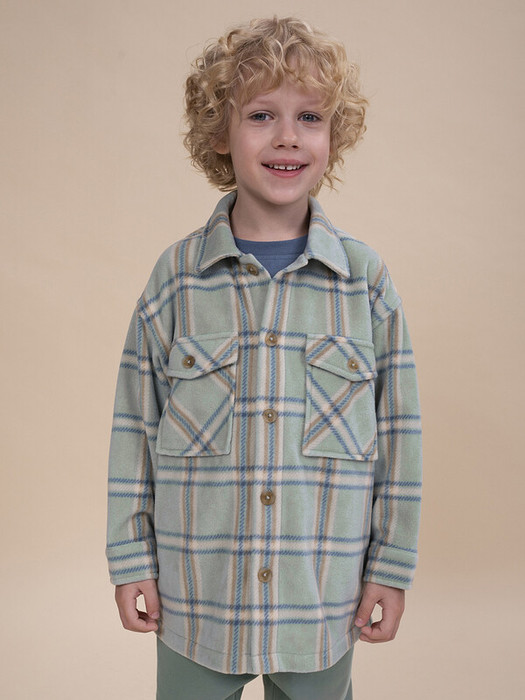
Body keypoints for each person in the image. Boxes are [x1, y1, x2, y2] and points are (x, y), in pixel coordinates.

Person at [106, 16, 422, 700]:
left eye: (309, 117)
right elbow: (135, 423)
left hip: (321, 602)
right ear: (219, 132)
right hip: (198, 599)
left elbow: (399, 435)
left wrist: (390, 566)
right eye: (260, 115)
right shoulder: (176, 280)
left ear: (333, 135)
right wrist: (130, 556)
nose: (287, 136)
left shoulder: (364, 283)